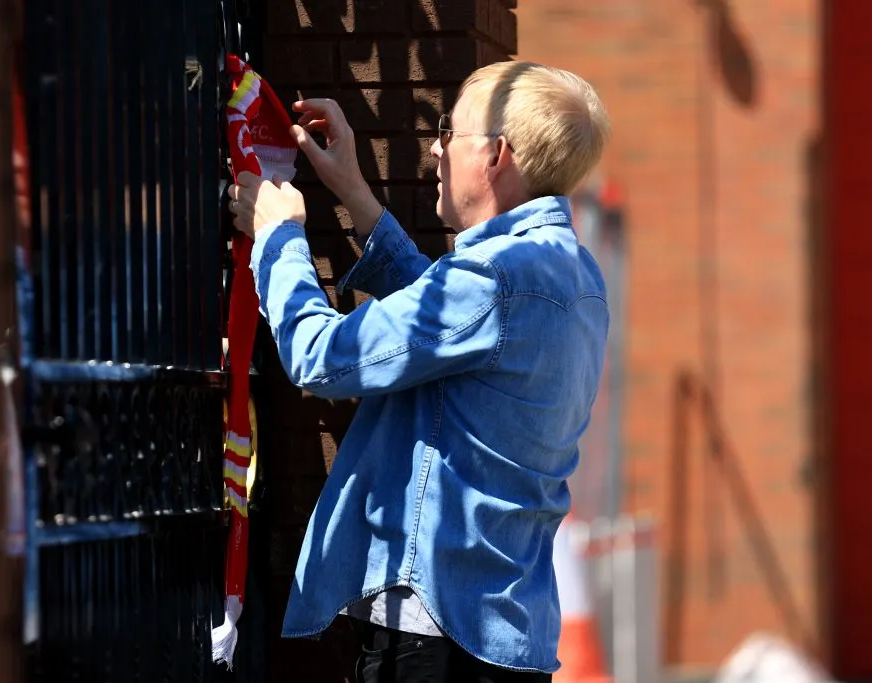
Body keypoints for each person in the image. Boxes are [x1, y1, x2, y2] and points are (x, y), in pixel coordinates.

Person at [227, 60, 611, 683]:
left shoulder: (492, 279)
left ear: (496, 155)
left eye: (448, 132)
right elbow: (444, 329)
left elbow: (320, 357)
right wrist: (353, 189)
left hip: (433, 639)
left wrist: (280, 238)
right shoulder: (572, 272)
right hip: (505, 630)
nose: (435, 149)